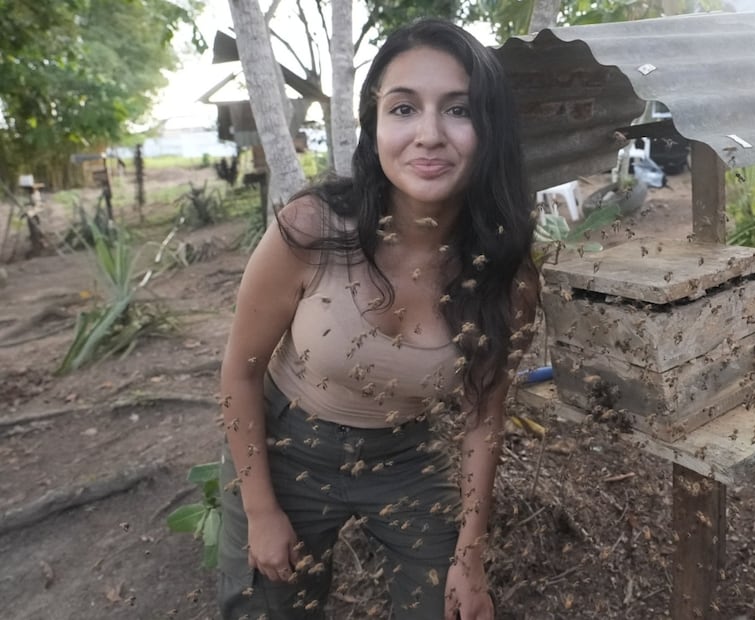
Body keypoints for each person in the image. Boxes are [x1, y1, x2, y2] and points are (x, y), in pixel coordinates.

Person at [215, 17, 538, 620]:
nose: (429, 135)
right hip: (285, 445)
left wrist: (469, 556)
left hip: (404, 455)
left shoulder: (505, 275)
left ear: (490, 128)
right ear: (374, 124)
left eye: (459, 110)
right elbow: (239, 372)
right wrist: (260, 511)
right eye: (404, 108)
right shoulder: (311, 229)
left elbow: (483, 417)